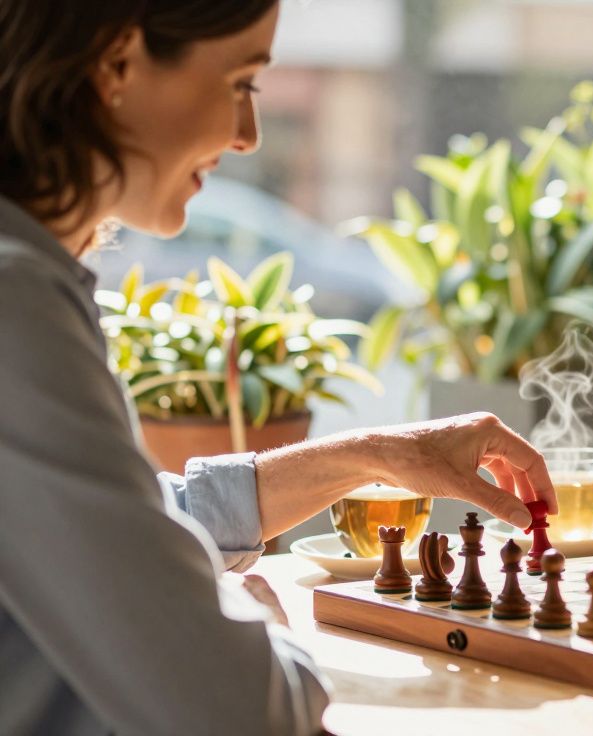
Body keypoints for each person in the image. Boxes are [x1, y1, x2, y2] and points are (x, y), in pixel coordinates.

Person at [0, 2, 556, 734]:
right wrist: (263, 622)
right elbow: (238, 709)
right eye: (242, 82)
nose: (247, 134)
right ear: (116, 63)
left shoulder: (32, 282)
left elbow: (117, 524)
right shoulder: (16, 305)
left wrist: (379, 456)